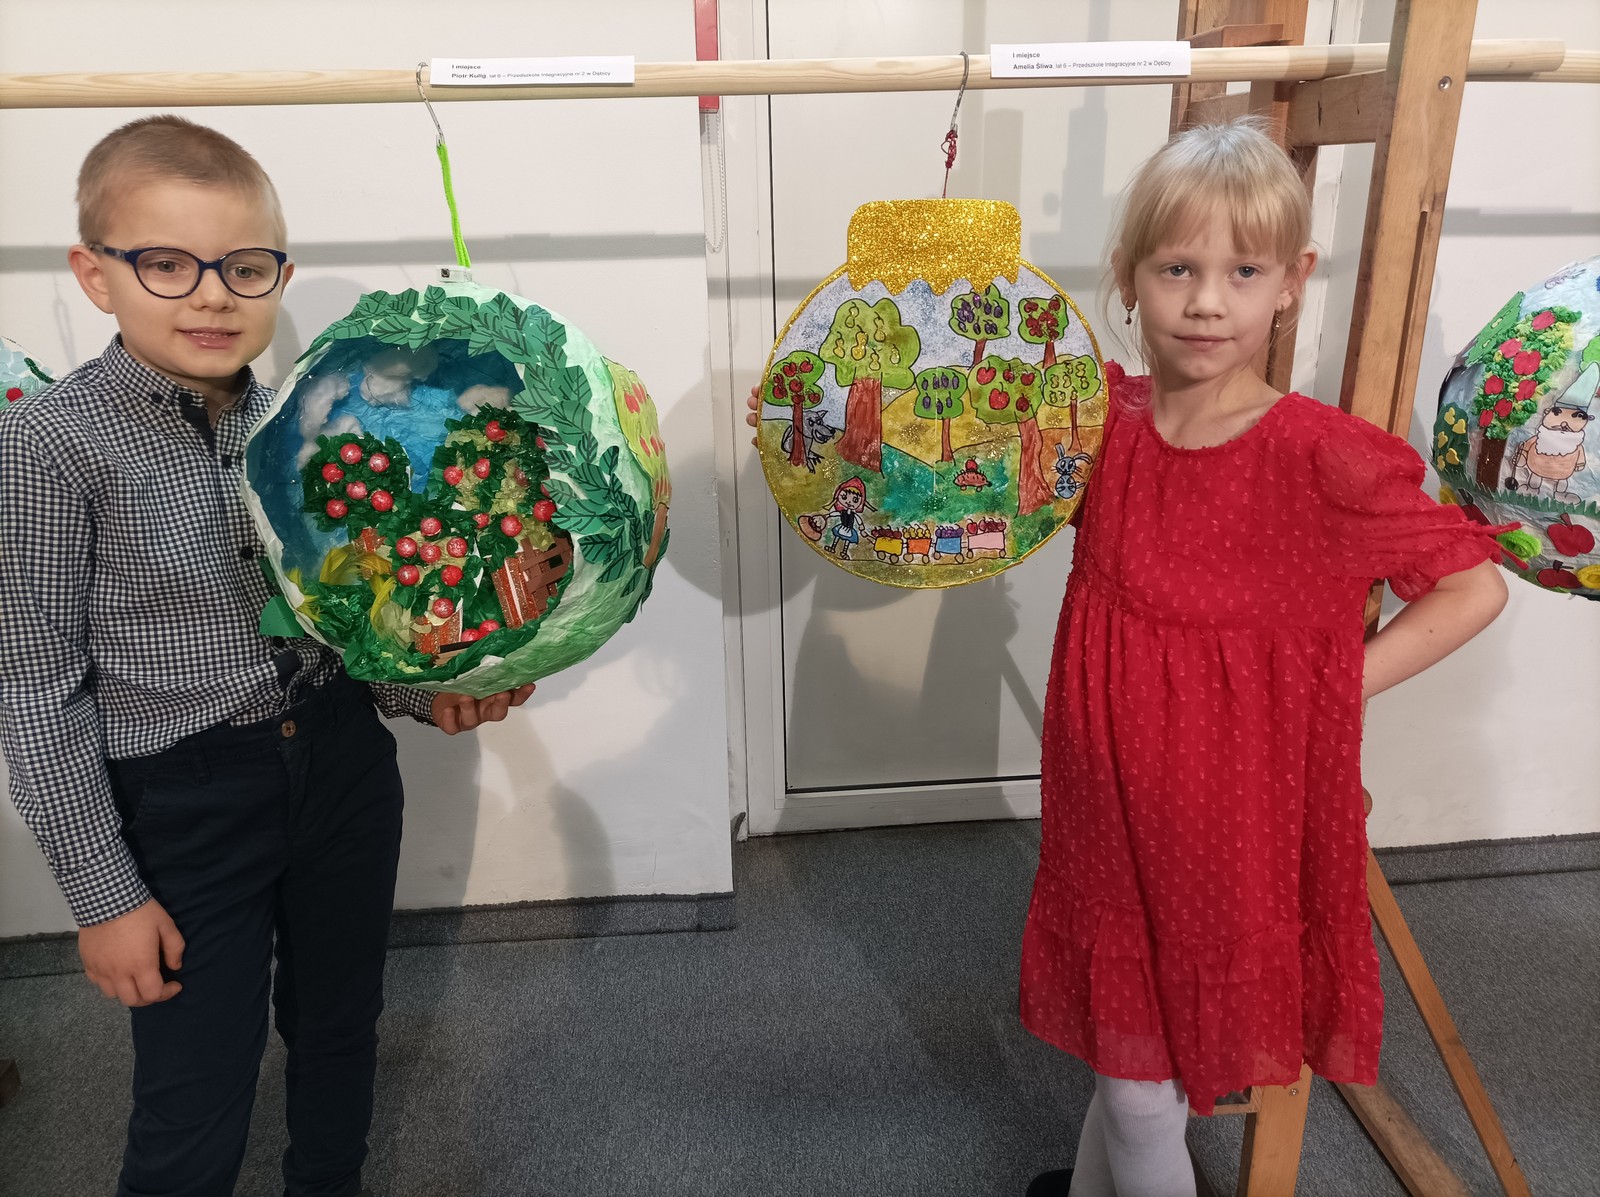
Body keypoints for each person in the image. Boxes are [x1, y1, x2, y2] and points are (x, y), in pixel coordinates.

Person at [0, 115, 532, 1197]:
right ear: (95, 275)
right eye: (167, 263)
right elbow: (34, 686)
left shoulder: (305, 421)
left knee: (340, 1025)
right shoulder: (48, 443)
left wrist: (423, 691)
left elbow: (336, 613)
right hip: (184, 797)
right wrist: (102, 897)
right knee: (197, 1083)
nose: (212, 296)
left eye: (244, 267)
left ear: (279, 277)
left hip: (338, 766)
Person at [1017, 119, 1507, 1196]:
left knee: (1145, 1091)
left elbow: (1473, 587)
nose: (1207, 301)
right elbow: (960, 460)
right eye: (1177, 269)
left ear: (1292, 281)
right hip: (1101, 803)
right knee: (1123, 1052)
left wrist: (1334, 689)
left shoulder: (1320, 458)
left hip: (1222, 824)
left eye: (1243, 272)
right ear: (1128, 277)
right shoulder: (1102, 425)